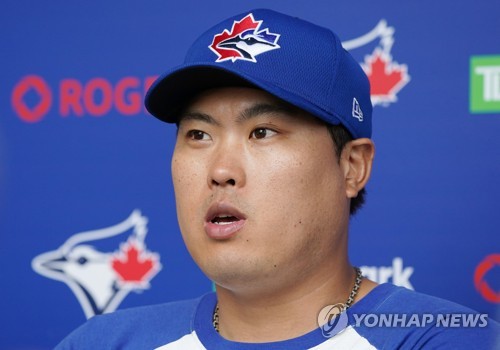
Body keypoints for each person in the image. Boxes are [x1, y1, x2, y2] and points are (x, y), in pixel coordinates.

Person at [56, 9, 499, 349]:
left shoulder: (441, 339)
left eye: (262, 132)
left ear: (352, 168)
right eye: (198, 134)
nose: (220, 171)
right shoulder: (104, 342)